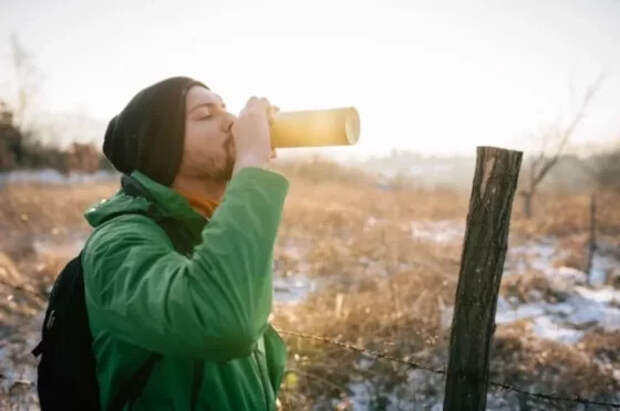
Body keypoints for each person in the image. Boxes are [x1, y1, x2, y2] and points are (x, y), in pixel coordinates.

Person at [82, 76, 288, 410]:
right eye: (206, 114)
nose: (233, 122)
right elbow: (223, 322)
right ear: (161, 146)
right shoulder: (118, 243)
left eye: (225, 108)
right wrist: (250, 163)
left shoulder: (209, 229)